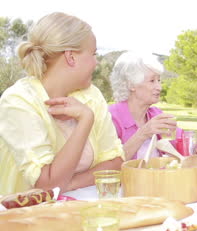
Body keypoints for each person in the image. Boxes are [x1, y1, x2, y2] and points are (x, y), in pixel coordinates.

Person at [0, 12, 125, 195]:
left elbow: (116, 163)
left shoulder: (91, 95)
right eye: (93, 54)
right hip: (25, 218)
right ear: (71, 57)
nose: (96, 63)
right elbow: (47, 186)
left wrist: (68, 184)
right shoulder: (18, 102)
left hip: (81, 212)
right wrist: (85, 120)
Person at [109, 52, 178, 160]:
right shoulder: (110, 118)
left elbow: (181, 140)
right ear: (131, 84)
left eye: (159, 80)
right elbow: (108, 166)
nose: (159, 87)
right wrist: (143, 133)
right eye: (152, 81)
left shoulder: (156, 114)